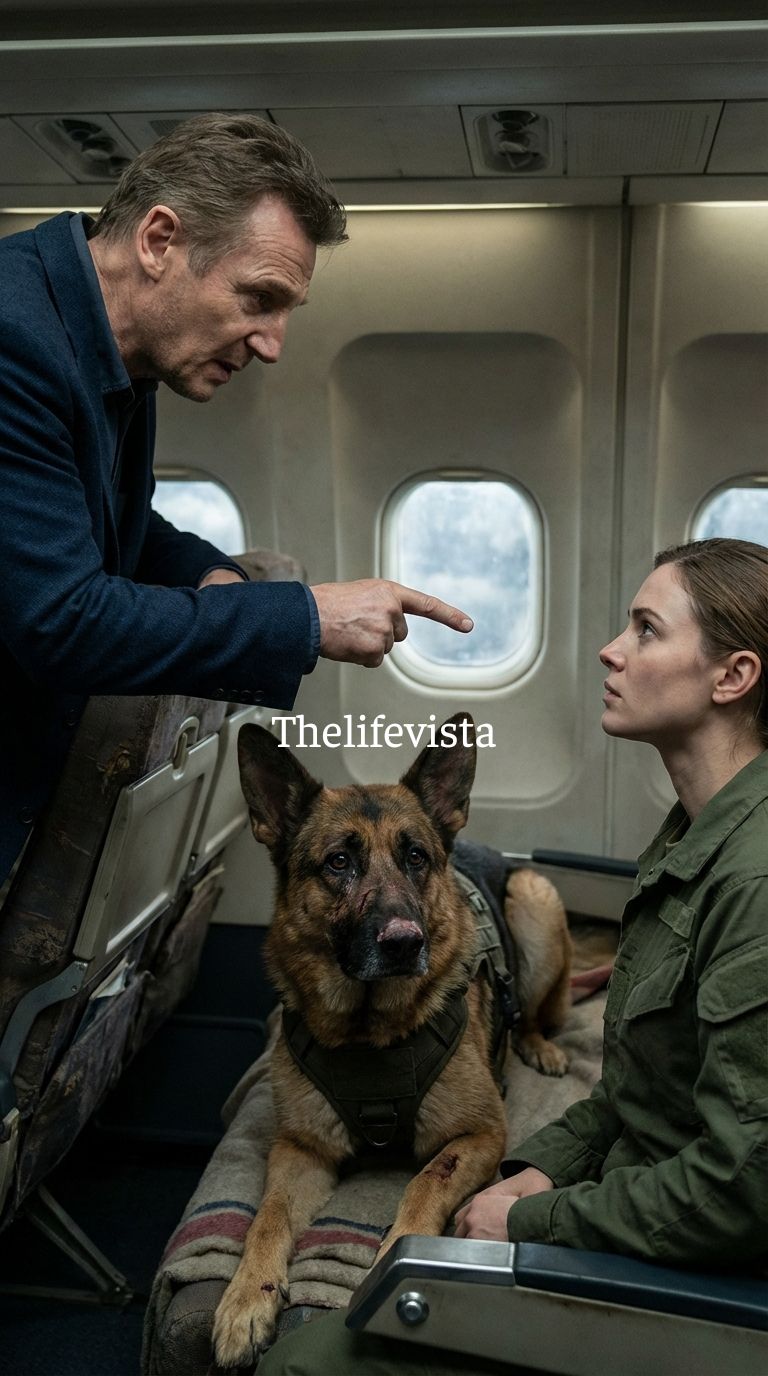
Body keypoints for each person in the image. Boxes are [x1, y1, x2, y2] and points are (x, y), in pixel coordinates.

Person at [258, 536, 768, 1376]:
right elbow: (636, 1098)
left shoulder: (753, 879)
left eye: (645, 629)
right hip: (636, 1203)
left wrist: (532, 1222)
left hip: (688, 1281)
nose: (610, 649)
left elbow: (743, 1191)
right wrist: (536, 1171)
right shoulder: (691, 836)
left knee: (294, 1368)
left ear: (732, 676)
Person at [0, 114, 472, 890]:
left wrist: (214, 576)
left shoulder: (117, 350)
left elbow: (109, 522)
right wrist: (305, 617)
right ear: (159, 241)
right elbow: (61, 621)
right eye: (259, 297)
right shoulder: (14, 340)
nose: (272, 344)